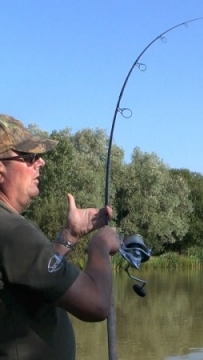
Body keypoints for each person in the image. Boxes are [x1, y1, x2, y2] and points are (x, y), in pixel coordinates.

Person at [0, 114, 121, 360]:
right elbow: (96, 305)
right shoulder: (13, 232)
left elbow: (36, 281)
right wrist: (99, 247)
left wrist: (70, 235)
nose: (41, 162)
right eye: (29, 156)